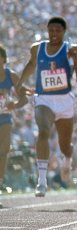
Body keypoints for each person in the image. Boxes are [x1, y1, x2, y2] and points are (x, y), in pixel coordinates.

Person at [15, 16, 77, 197]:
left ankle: (68, 160)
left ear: (64, 32)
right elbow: (31, 65)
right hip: (44, 99)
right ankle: (42, 181)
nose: (54, 34)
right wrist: (19, 84)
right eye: (51, 30)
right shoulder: (37, 48)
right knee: (44, 131)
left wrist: (75, 62)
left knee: (64, 146)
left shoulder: (72, 49)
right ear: (47, 31)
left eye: (58, 31)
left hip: (64, 100)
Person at [0, 45, 30, 203]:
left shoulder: (11, 76)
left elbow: (24, 98)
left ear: (4, 60)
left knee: (3, 151)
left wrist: (15, 104)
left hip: (4, 117)